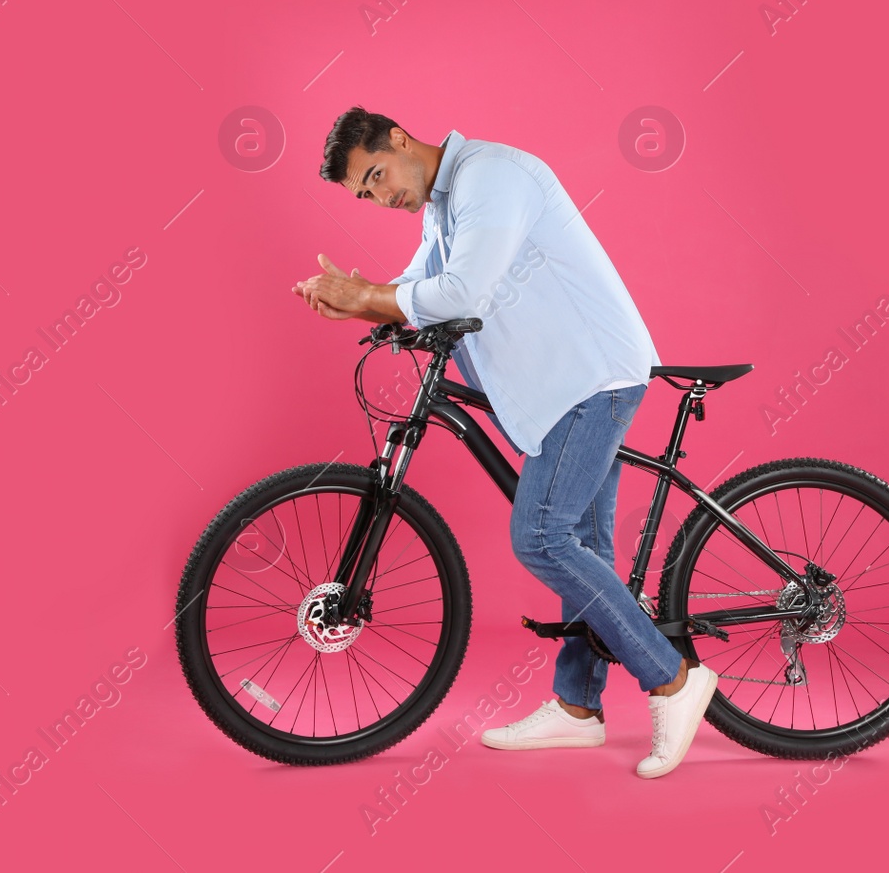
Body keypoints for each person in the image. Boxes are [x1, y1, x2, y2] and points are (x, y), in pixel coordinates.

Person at [292, 106, 717, 779]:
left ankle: (673, 679)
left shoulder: (491, 177)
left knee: (542, 537)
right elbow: (415, 286)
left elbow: (460, 289)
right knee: (586, 549)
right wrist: (365, 300)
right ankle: (579, 708)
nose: (380, 196)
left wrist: (368, 295)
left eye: (376, 175)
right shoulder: (443, 203)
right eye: (365, 194)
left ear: (400, 139)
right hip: (561, 386)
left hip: (589, 377)